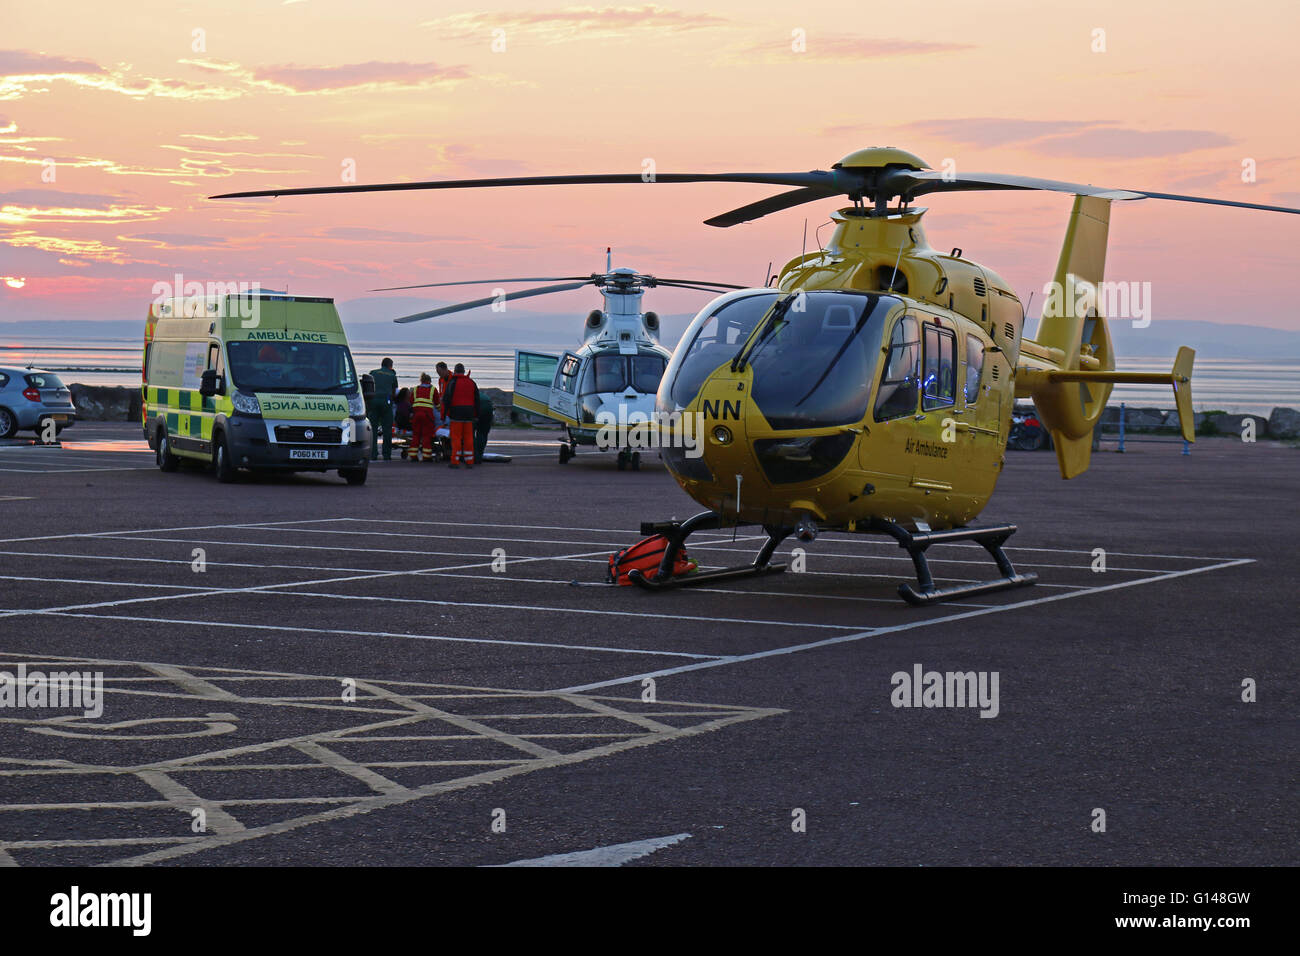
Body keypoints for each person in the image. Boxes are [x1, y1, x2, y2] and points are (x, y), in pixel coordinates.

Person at [441, 362, 479, 468]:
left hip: (456, 414)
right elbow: (477, 400)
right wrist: (476, 415)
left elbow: (446, 400)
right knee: (468, 438)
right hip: (469, 414)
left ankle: (455, 461)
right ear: (464, 371)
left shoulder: (452, 382)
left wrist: (443, 416)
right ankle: (469, 461)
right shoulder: (471, 382)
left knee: (456, 438)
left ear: (455, 371)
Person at [367, 357, 398, 461]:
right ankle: (386, 454)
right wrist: (391, 401)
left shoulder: (373, 372)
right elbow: (394, 392)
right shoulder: (392, 375)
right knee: (387, 429)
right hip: (386, 401)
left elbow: (368, 387)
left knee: (373, 429)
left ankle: (373, 454)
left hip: (373, 401)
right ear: (390, 366)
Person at [409, 373, 438, 462]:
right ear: (429, 381)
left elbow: (411, 402)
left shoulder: (415, 389)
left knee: (416, 435)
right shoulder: (433, 389)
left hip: (416, 414)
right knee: (426, 435)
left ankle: (413, 456)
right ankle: (426, 456)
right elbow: (437, 403)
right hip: (427, 415)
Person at [474, 388, 495, 462]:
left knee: (470, 434)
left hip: (477, 407)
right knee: (483, 433)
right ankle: (479, 454)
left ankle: (474, 455)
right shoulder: (483, 395)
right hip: (488, 407)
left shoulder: (468, 395)